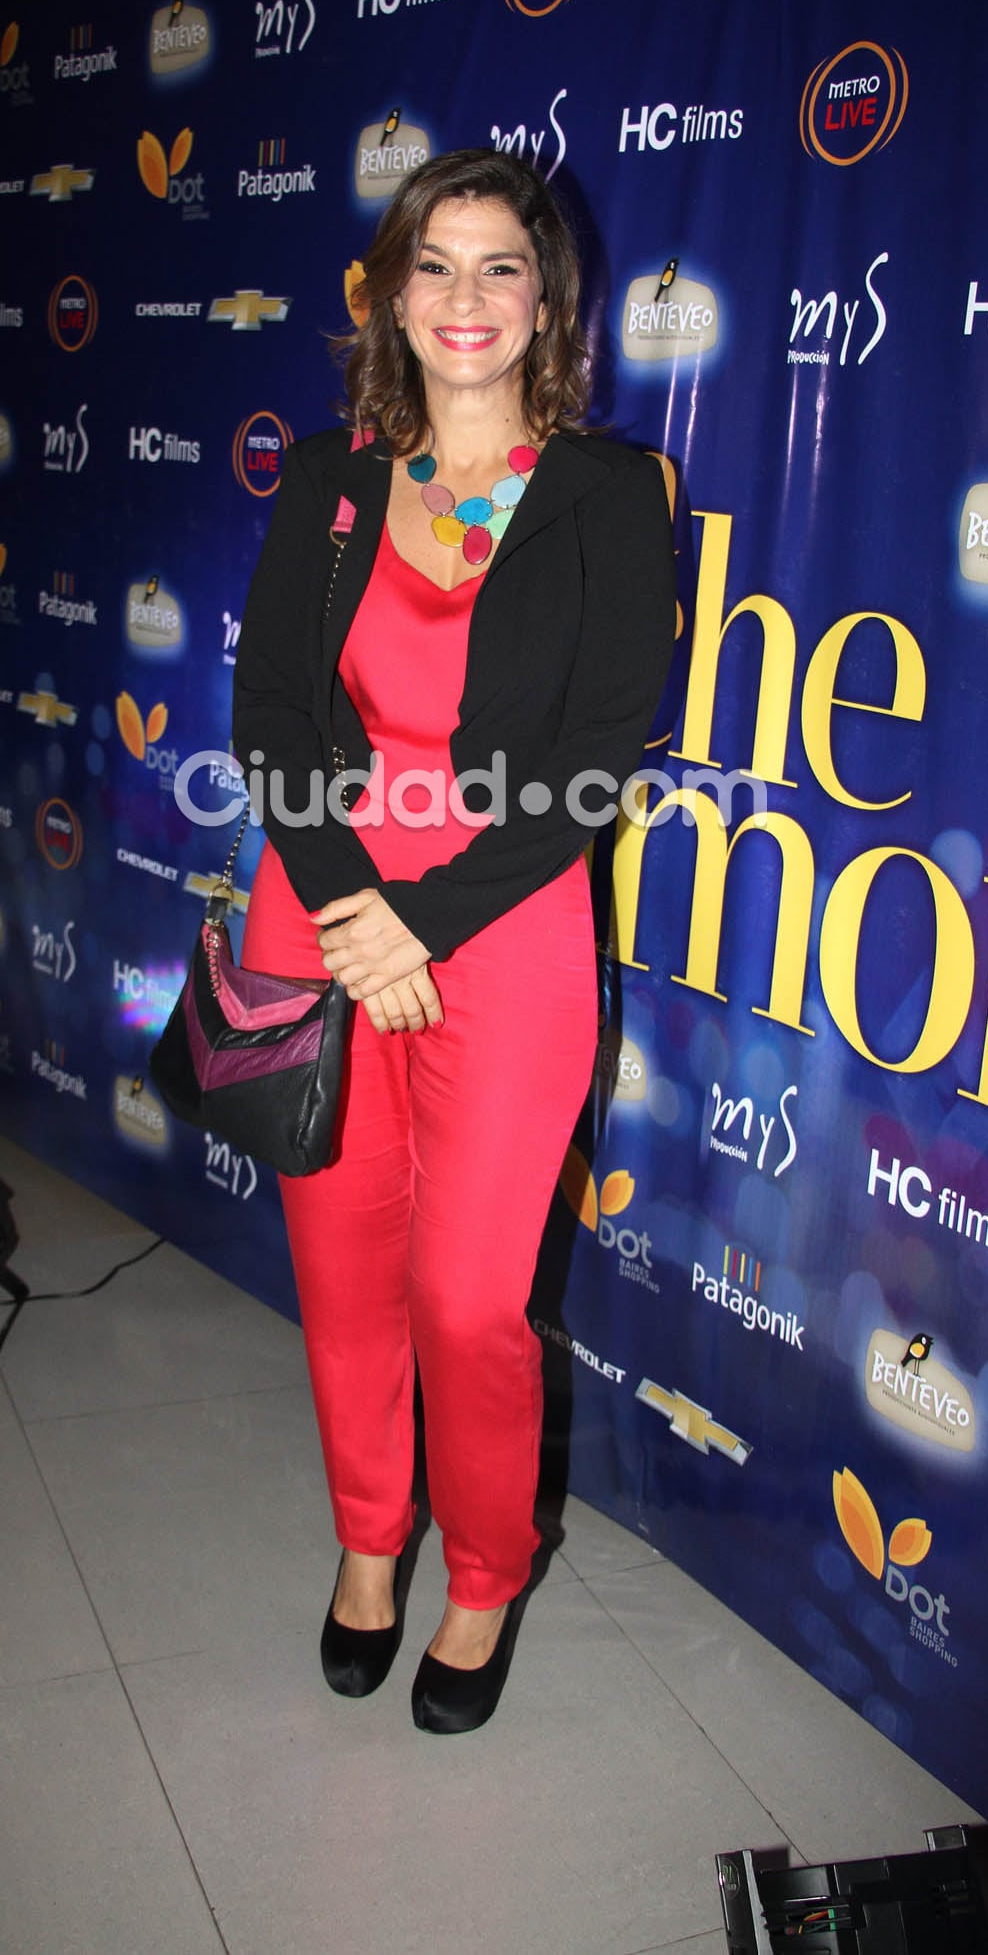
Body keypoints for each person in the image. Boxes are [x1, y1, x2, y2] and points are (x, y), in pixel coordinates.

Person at [233, 148, 674, 1733]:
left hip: (505, 920)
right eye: (437, 263)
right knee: (343, 1269)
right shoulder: (331, 486)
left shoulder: (613, 496)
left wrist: (417, 917)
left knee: (473, 1297)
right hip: (324, 907)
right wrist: (358, 911)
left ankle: (483, 1571)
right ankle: (369, 1543)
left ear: (545, 297)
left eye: (501, 266)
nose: (467, 298)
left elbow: (598, 758)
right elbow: (270, 714)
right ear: (389, 292)